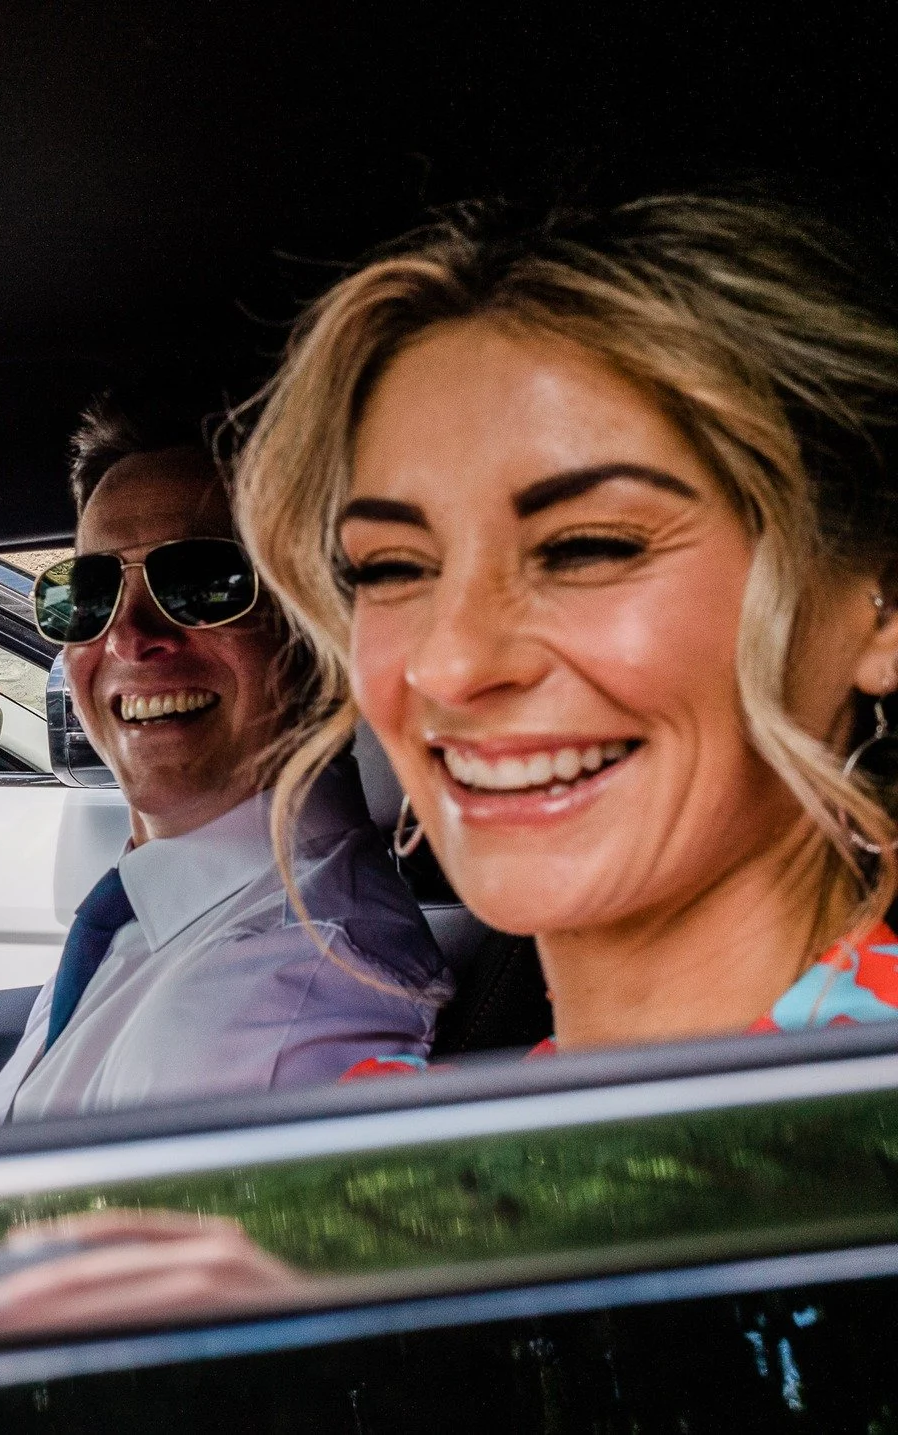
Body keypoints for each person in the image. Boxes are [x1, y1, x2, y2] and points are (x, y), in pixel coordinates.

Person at [230, 194, 898, 1068]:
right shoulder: (406, 1140)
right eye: (392, 568)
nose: (451, 661)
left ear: (880, 605)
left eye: (586, 549)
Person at [0, 395, 446, 1128]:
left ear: (316, 624)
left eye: (201, 583)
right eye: (90, 592)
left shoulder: (278, 1011)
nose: (129, 638)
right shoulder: (167, 918)